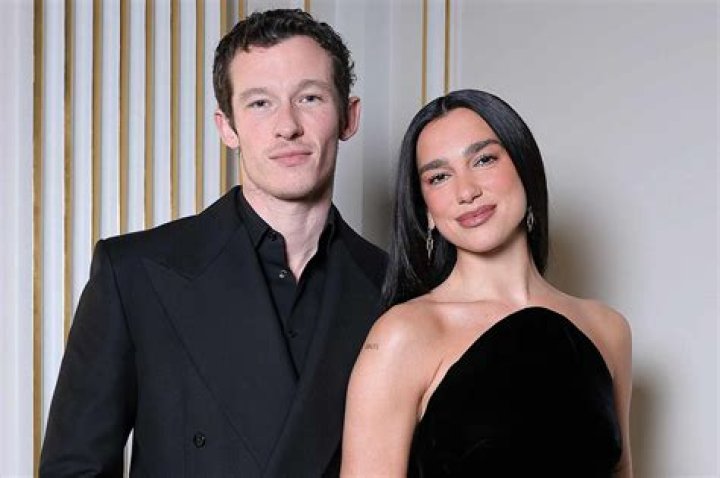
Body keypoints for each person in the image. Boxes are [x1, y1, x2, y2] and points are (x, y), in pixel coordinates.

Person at [40, 9, 386, 477]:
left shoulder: (391, 286)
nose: (287, 125)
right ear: (227, 127)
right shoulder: (135, 273)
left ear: (349, 116)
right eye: (260, 103)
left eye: (309, 97)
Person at [341, 89, 632, 477]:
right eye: (439, 177)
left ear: (524, 168)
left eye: (484, 160)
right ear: (426, 211)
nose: (467, 192)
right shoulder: (404, 335)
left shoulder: (607, 329)